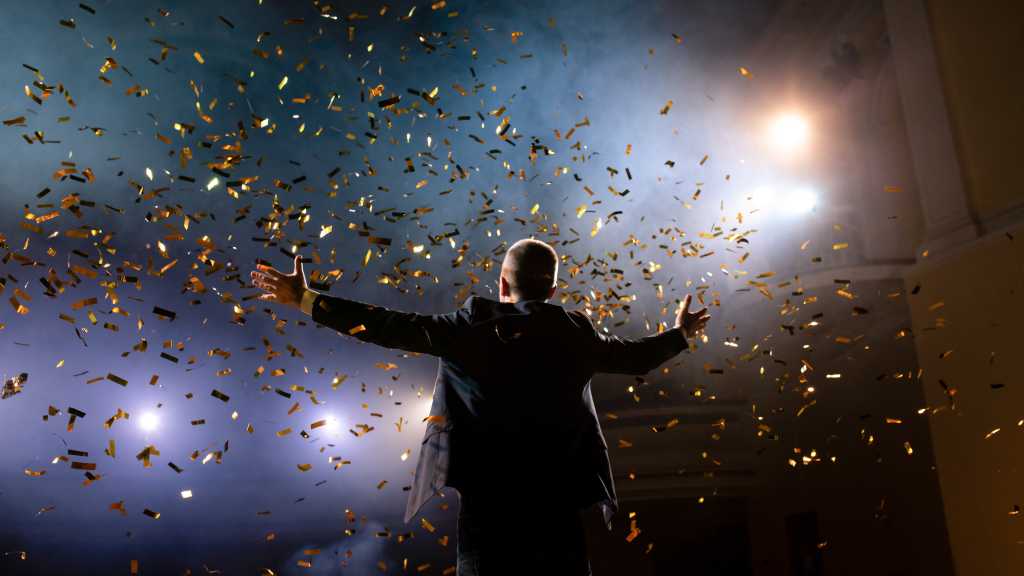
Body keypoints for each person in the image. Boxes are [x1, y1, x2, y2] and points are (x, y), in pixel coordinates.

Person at [251, 238, 711, 576]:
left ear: (502, 283)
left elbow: (388, 326)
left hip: (489, 519)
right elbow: (635, 358)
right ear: (553, 290)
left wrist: (306, 299)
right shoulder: (575, 334)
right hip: (557, 517)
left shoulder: (468, 327)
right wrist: (681, 335)